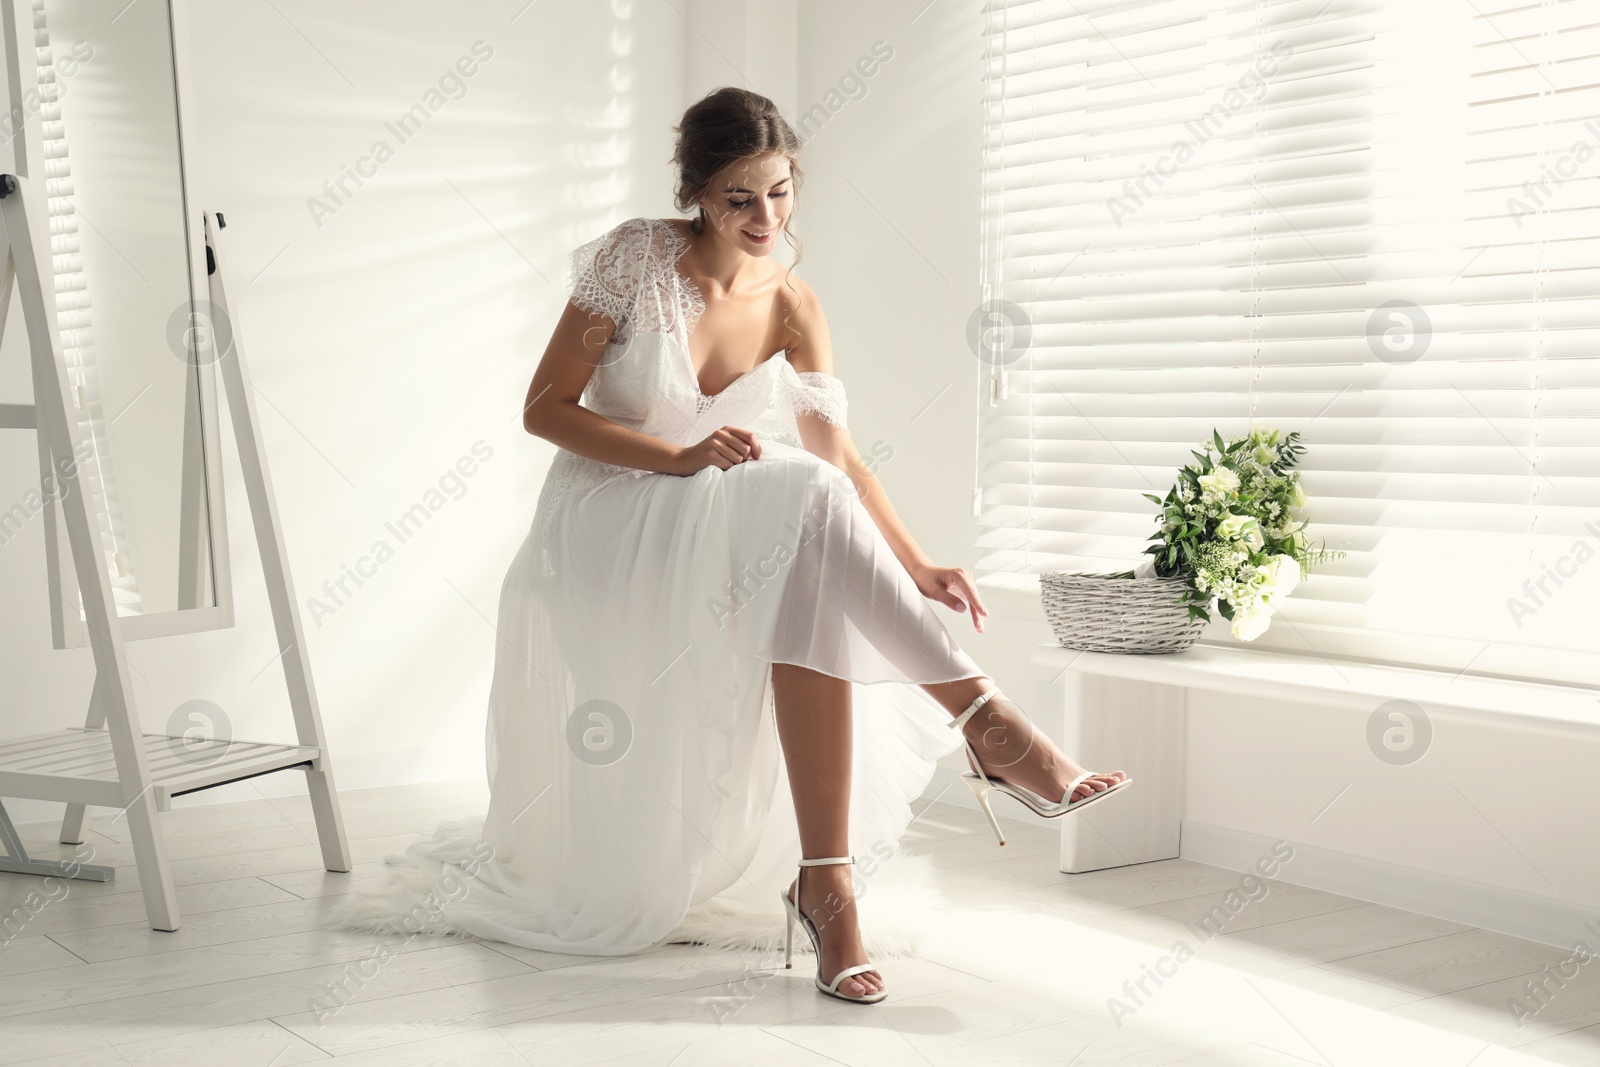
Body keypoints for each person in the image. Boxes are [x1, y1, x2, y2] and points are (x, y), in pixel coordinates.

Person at [340, 86, 1129, 1006]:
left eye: (781, 192)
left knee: (809, 537)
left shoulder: (794, 303)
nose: (765, 218)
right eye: (739, 197)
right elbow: (543, 409)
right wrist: (676, 458)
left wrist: (916, 563)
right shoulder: (636, 259)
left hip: (722, 523)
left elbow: (841, 459)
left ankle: (828, 887)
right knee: (794, 494)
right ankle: (990, 726)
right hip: (606, 515)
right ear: (698, 194)